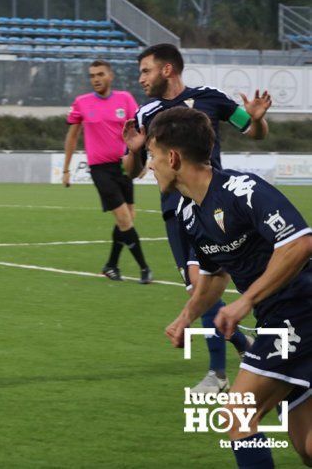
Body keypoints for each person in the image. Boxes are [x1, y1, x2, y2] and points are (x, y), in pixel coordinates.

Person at [155, 107, 312, 469]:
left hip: (300, 312)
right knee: (307, 446)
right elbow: (213, 278)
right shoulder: (190, 213)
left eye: (153, 155)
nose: (150, 166)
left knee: (237, 413)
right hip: (280, 319)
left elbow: (299, 244)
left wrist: (246, 302)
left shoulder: (242, 190)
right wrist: (185, 317)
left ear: (173, 157)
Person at [123, 43, 272, 394]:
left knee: (207, 282)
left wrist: (256, 118)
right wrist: (132, 152)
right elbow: (131, 172)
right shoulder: (146, 114)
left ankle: (220, 373)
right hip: (175, 212)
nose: (141, 78)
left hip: (212, 205)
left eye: (146, 70)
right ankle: (243, 349)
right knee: (199, 286)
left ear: (168, 70)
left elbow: (254, 133)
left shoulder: (209, 97)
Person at [63, 60, 152, 283]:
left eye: (100, 74)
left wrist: (143, 160)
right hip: (100, 169)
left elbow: (141, 131)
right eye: (92, 75)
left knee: (128, 217)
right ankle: (144, 268)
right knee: (123, 218)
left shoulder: (125, 99)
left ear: (110, 76)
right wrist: (65, 169)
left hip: (124, 166)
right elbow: (72, 137)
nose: (96, 79)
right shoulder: (82, 102)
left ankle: (111, 265)